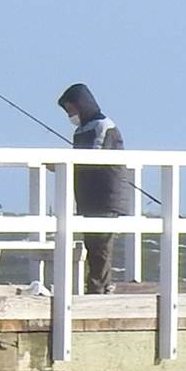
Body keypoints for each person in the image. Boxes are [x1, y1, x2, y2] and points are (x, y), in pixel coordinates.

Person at [56, 83, 131, 293]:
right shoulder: (81, 129)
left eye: (72, 109)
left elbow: (94, 156)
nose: (71, 114)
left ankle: (99, 287)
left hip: (106, 194)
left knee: (101, 245)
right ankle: (97, 285)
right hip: (89, 196)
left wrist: (68, 162)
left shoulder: (103, 126)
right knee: (93, 244)